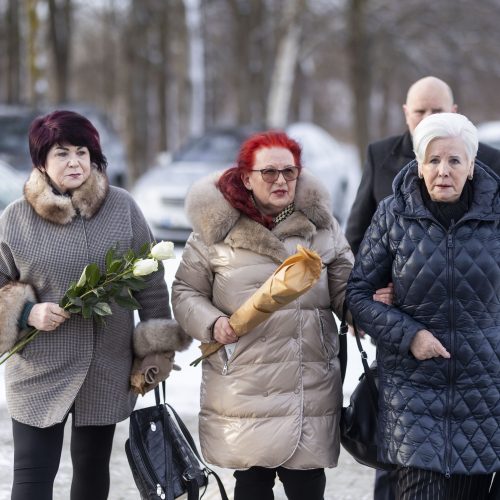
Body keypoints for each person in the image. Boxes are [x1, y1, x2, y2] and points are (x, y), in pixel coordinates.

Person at [171, 131, 393, 499]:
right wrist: (213, 323)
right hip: (244, 379)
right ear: (246, 177)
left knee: (308, 484)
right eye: (269, 172)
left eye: (289, 172)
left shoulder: (323, 228)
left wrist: (365, 309)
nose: (281, 181)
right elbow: (185, 293)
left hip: (309, 380)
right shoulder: (214, 232)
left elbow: (346, 290)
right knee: (252, 484)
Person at [0, 110, 190, 500]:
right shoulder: (15, 219)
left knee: (91, 474)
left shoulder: (122, 208)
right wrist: (27, 311)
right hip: (39, 369)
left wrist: (156, 353)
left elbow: (150, 283)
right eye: (61, 153)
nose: (74, 162)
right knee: (32, 480)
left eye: (82, 152)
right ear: (40, 162)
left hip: (104, 367)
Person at [346, 112, 500, 500]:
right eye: (433, 160)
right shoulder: (392, 214)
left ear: (471, 165)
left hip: (482, 392)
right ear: (418, 164)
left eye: (453, 161)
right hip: (411, 393)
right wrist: (410, 334)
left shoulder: (496, 215)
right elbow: (358, 295)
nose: (442, 171)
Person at [345, 75, 500, 256]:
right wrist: (372, 284)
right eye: (420, 111)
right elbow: (357, 235)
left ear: (454, 111)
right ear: (406, 113)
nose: (428, 118)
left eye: (437, 111)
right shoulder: (380, 155)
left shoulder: (490, 160)